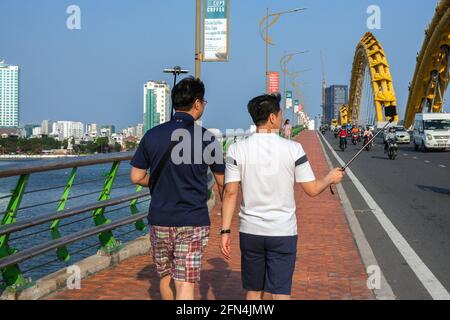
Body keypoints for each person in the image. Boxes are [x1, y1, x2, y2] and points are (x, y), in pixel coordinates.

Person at [219, 94, 345, 300]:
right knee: (280, 292)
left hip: (250, 231)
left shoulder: (236, 148)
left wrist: (225, 231)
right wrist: (330, 177)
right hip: (283, 231)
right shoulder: (293, 149)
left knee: (253, 291)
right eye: (279, 114)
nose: (280, 117)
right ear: (271, 118)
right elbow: (312, 189)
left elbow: (230, 192)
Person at [130, 77, 225, 300]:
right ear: (198, 103)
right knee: (185, 284)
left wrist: (156, 181)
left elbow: (136, 176)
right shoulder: (208, 139)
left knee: (165, 278)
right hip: (193, 220)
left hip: (160, 218)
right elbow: (222, 183)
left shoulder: (152, 135)